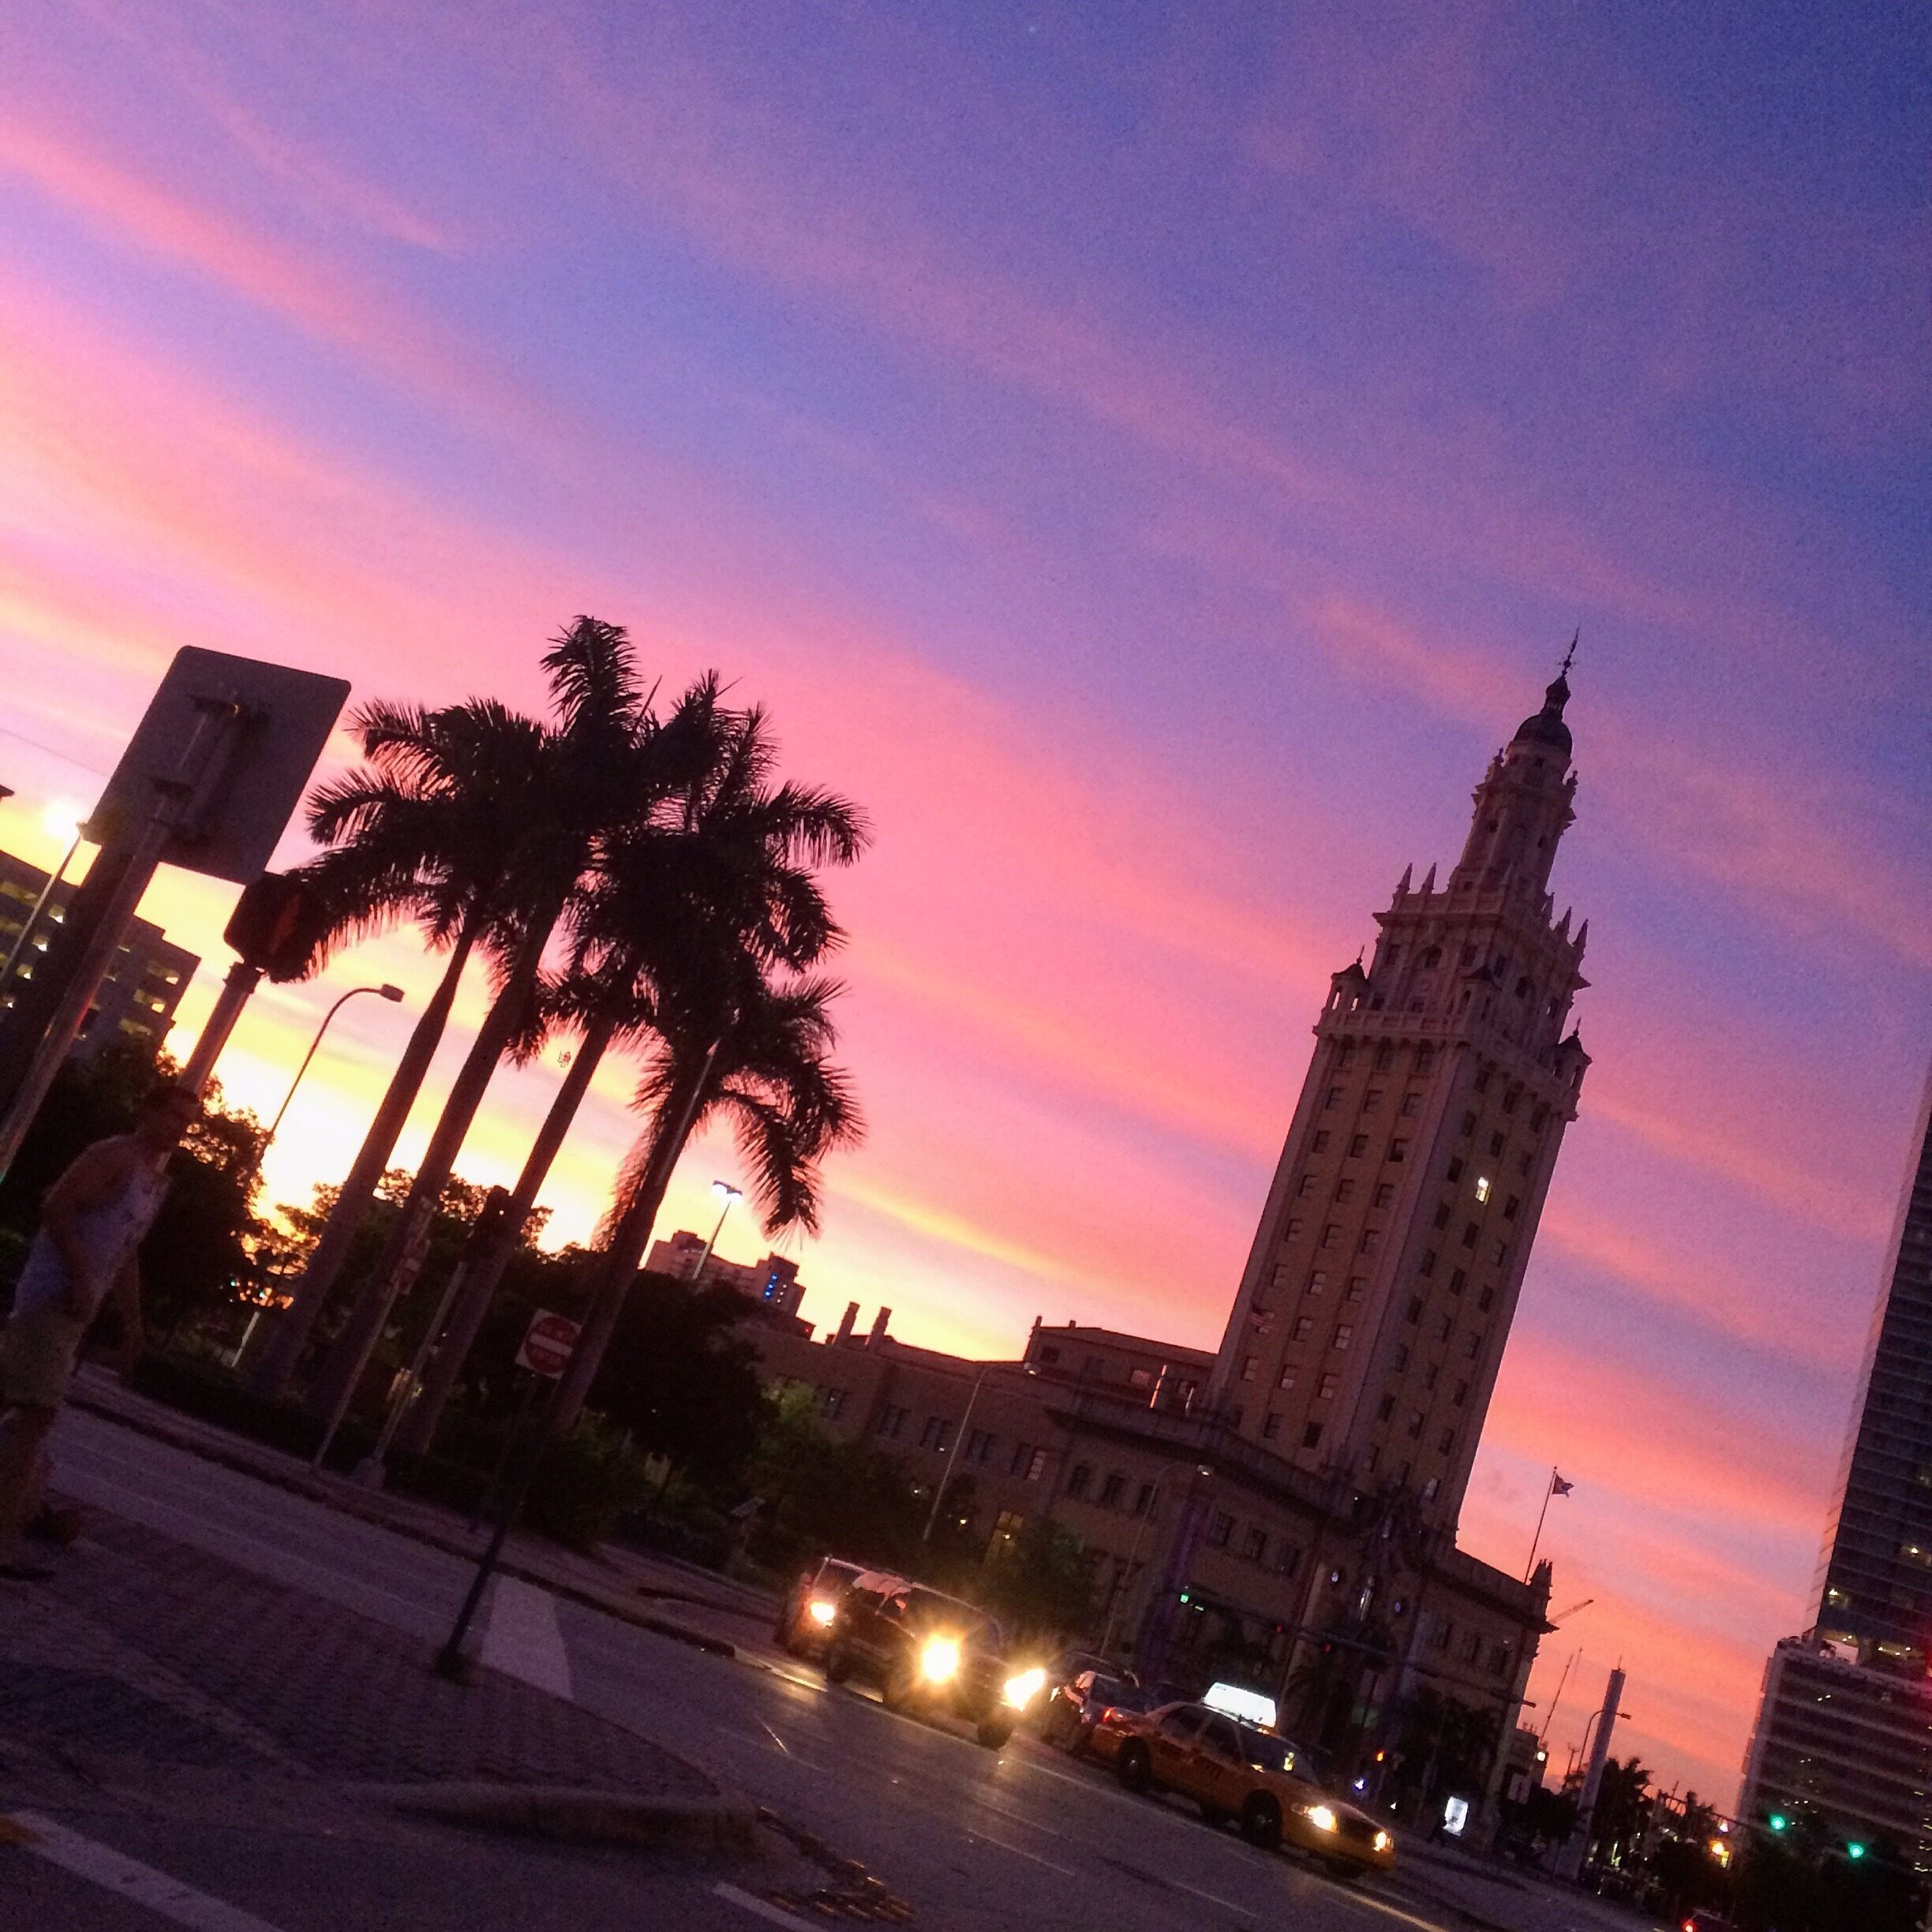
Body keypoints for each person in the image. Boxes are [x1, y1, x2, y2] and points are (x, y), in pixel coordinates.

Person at [0, 1081, 199, 1580]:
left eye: (187, 1123)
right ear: (148, 1111)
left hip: (77, 1314)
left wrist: (132, 1322)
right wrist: (80, 1274)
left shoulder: (153, 1182)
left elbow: (127, 1253)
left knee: (21, 1408)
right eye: (173, 1116)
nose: (178, 1129)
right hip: (51, 1299)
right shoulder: (113, 1156)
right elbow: (57, 1206)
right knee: (35, 1415)